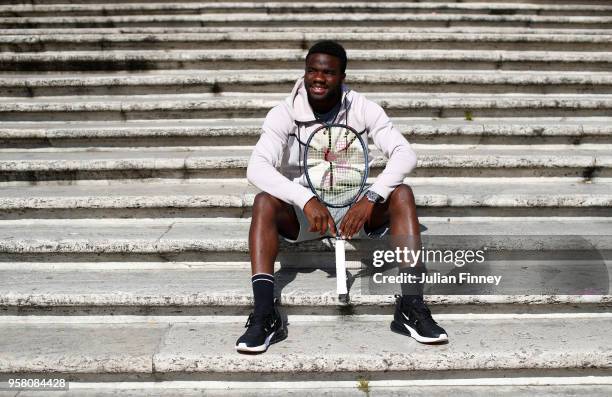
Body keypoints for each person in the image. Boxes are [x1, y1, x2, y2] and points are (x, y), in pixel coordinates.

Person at [236, 41, 448, 353]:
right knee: (263, 202)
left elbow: (405, 154)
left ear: (342, 76)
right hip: (304, 216)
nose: (317, 78)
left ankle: (411, 307)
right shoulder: (283, 113)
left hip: (356, 210)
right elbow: (256, 168)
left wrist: (371, 197)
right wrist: (305, 199)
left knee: (401, 194)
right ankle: (265, 315)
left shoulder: (363, 107)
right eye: (312, 70)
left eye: (327, 72)